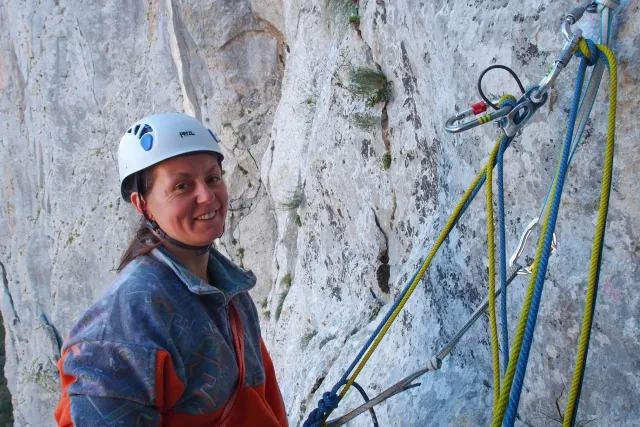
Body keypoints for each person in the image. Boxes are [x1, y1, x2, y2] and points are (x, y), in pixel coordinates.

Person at [54, 113, 288, 426]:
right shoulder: (124, 327)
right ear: (142, 204)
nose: (207, 196)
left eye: (213, 179)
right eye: (182, 186)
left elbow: (264, 401)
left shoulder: (232, 293)